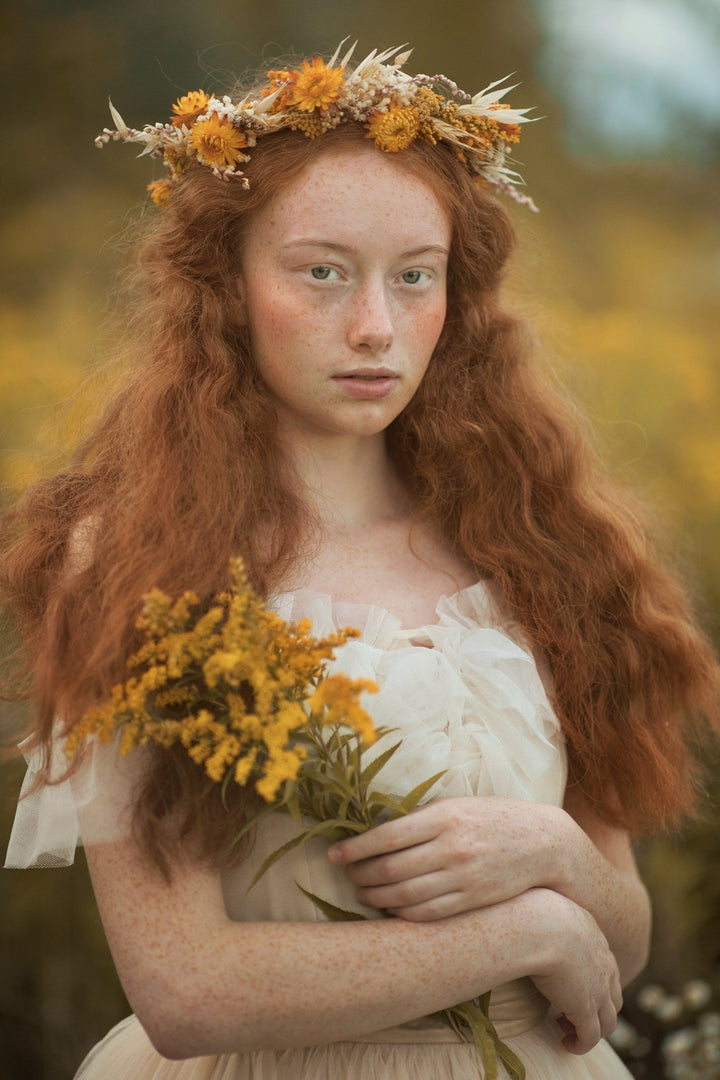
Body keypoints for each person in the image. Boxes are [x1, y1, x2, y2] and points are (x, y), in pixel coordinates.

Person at [2, 42, 718, 1080]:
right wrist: (528, 936)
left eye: (414, 277)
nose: (377, 327)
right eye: (323, 272)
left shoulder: (538, 546)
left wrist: (556, 858)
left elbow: (627, 938)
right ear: (228, 285)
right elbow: (184, 991)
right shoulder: (136, 565)